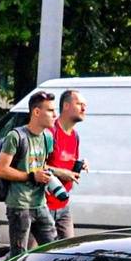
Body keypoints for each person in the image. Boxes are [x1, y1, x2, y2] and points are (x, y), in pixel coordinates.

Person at [0, 92, 60, 257]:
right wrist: (32, 176)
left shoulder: (47, 137)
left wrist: (49, 177)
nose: (55, 115)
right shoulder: (16, 136)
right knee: (19, 256)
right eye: (50, 110)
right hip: (19, 206)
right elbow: (1, 170)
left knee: (56, 251)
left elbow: (42, 164)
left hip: (39, 204)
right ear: (36, 112)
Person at [47, 89, 88, 239]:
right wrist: (61, 173)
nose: (84, 108)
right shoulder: (50, 132)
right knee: (31, 254)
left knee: (69, 251)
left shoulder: (75, 136)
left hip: (63, 205)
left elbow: (67, 164)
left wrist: (79, 165)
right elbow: (35, 165)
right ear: (65, 106)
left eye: (85, 105)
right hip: (44, 205)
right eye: (79, 104)